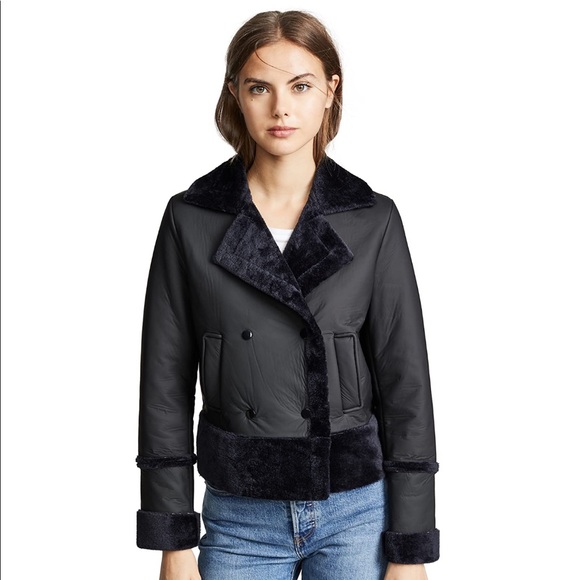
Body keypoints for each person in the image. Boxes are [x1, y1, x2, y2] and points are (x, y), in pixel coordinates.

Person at [136, 10, 439, 580]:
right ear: (235, 92)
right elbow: (164, 387)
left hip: (357, 513)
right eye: (260, 87)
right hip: (239, 515)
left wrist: (410, 547)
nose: (281, 108)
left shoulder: (372, 219)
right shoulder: (191, 219)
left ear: (330, 91)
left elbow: (407, 387)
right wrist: (172, 539)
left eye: (300, 86)